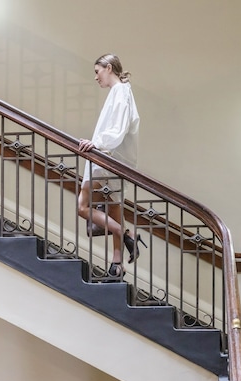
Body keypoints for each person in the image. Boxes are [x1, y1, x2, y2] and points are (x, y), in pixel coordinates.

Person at [77, 53, 144, 280]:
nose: (96, 77)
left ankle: (124, 233)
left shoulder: (121, 91)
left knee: (82, 206)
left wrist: (98, 143)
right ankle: (117, 264)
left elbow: (118, 127)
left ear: (108, 68)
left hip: (108, 157)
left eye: (97, 72)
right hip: (115, 158)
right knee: (114, 207)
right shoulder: (121, 91)